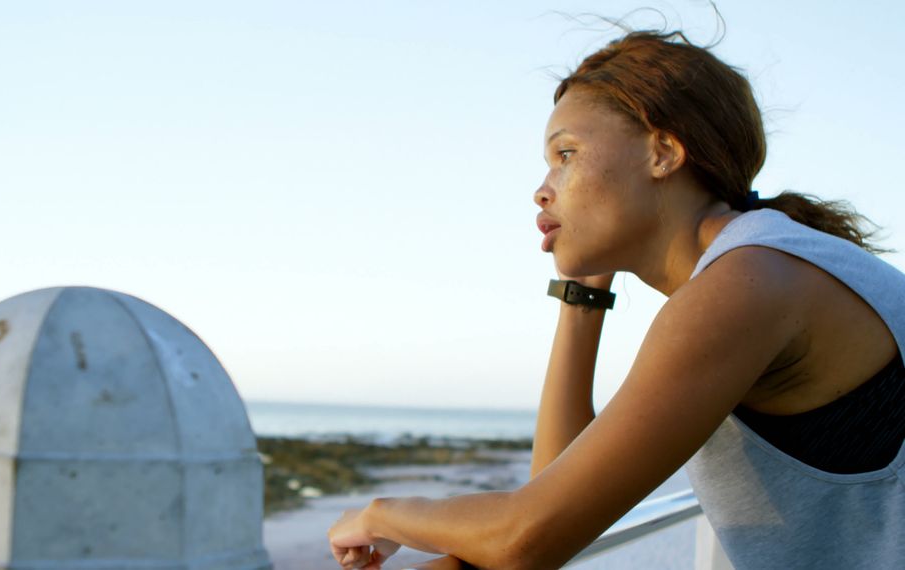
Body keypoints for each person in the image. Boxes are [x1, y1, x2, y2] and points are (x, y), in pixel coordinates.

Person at [327, 29, 905, 570]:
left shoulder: (746, 285)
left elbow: (528, 536)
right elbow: (555, 489)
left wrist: (380, 512)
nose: (542, 187)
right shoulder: (757, 263)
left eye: (567, 153)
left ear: (663, 153)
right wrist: (582, 294)